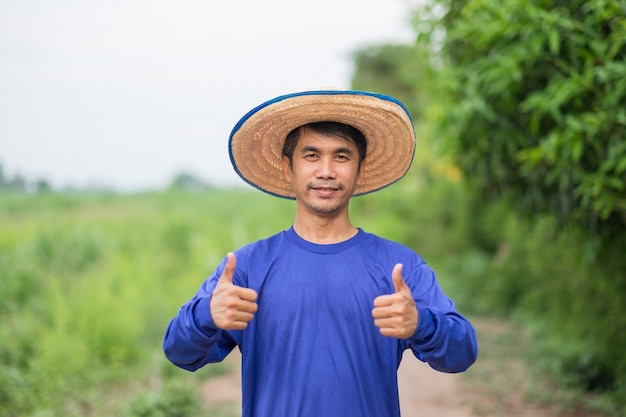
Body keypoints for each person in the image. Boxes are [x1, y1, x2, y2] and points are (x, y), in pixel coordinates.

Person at [163, 89, 478, 417]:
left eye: (341, 157)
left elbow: (462, 354)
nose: (326, 171)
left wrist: (422, 323)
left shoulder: (398, 267)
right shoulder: (246, 268)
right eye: (311, 156)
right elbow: (179, 352)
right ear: (288, 168)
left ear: (361, 169)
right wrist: (206, 315)